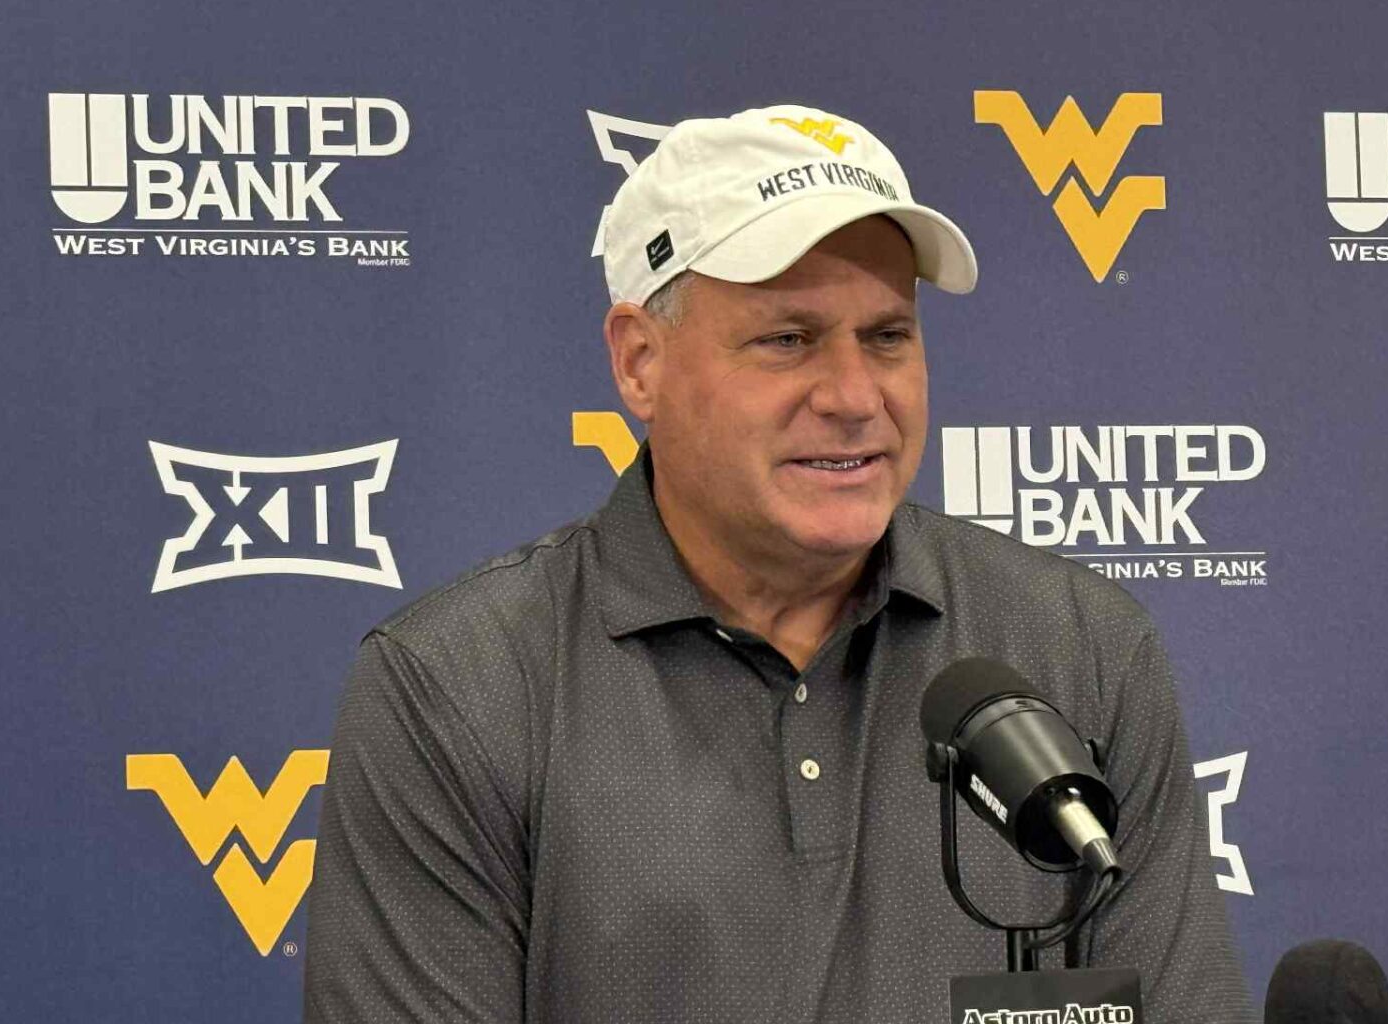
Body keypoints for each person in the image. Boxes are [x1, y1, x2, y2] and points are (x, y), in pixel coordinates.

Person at [304, 103, 1254, 1023]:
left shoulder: (1079, 645)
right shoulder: (456, 686)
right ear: (639, 362)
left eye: (887, 336)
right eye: (787, 339)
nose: (852, 395)